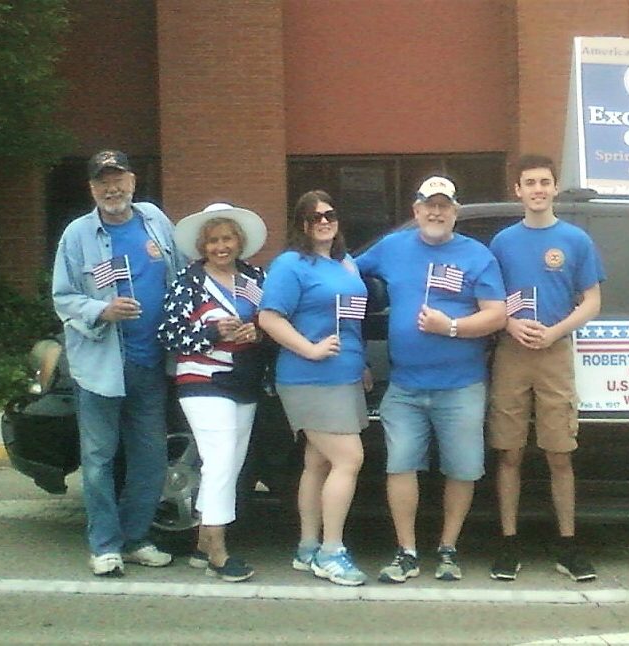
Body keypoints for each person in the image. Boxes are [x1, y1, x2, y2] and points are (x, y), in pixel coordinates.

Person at [356, 176, 506, 584]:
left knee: (461, 469)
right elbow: (346, 276)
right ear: (416, 210)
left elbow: (496, 314)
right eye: (428, 205)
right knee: (400, 466)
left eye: (444, 206)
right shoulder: (392, 247)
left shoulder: (477, 256)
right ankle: (406, 552)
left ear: (455, 212)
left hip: (461, 385)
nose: (436, 212)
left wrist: (451, 326)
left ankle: (448, 549)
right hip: (404, 385)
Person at [52, 150, 186, 576]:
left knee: (149, 459)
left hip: (150, 362)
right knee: (99, 459)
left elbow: (179, 276)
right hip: (100, 364)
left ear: (132, 181)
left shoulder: (154, 220)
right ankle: (104, 545)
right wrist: (101, 311)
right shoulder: (77, 235)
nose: (112, 188)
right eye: (102, 182)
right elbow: (63, 297)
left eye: (118, 179)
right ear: (92, 189)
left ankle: (135, 538)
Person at [487, 154, 606, 582]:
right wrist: (510, 322)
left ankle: (568, 545)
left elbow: (591, 300)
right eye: (529, 182)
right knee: (509, 452)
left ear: (555, 188)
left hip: (555, 352)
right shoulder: (501, 242)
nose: (537, 189)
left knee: (560, 452)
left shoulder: (575, 240)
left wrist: (556, 332)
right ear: (517, 191)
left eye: (544, 182)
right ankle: (508, 543)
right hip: (511, 351)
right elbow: (490, 300)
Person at [257, 190, 370, 586]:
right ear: (301, 224)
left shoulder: (346, 264)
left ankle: (307, 547)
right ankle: (331, 552)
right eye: (314, 217)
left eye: (330, 213)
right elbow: (269, 318)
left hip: (345, 375)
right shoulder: (291, 264)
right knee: (349, 459)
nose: (324, 221)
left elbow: (351, 321)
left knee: (318, 461)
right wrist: (310, 348)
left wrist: (362, 365)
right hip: (309, 377)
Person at [157, 203, 269, 582]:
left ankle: (203, 544)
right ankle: (219, 551)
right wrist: (212, 332)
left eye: (228, 238)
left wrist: (259, 333)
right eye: (214, 240)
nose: (221, 246)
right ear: (203, 246)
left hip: (244, 381)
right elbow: (169, 335)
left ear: (239, 242)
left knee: (231, 466)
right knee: (220, 461)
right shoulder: (187, 282)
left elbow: (271, 319)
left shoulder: (256, 277)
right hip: (201, 382)